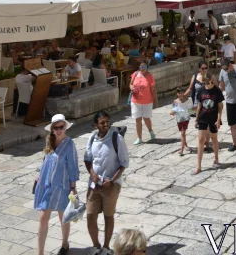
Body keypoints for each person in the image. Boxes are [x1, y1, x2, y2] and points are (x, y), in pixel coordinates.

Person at [84, 110, 129, 255]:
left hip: (111, 185)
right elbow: (87, 159)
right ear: (95, 125)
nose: (105, 125)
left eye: (107, 122)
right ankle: (96, 246)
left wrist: (112, 180)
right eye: (102, 122)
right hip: (94, 185)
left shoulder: (117, 139)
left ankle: (106, 247)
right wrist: (92, 173)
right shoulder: (92, 139)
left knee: (108, 216)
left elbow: (124, 163)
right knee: (91, 215)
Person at [34, 114, 79, 255]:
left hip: (62, 186)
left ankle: (65, 244)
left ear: (65, 127)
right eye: (56, 127)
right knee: (43, 218)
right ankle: (40, 252)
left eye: (61, 127)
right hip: (47, 185)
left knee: (63, 217)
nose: (59, 130)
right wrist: (40, 174)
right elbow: (46, 159)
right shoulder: (50, 141)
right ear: (52, 129)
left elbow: (73, 167)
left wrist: (73, 188)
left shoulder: (70, 144)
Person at [193, 72, 224, 175]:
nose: (206, 84)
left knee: (214, 138)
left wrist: (219, 119)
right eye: (204, 82)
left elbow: (220, 106)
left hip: (213, 118)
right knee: (201, 140)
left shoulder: (217, 91)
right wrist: (196, 119)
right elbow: (199, 105)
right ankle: (198, 165)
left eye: (207, 82)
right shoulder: (201, 90)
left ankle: (216, 158)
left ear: (211, 80)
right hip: (203, 117)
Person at [129, 61, 158, 145]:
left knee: (146, 118)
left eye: (144, 67)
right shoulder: (135, 74)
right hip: (135, 100)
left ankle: (150, 131)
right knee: (138, 119)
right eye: (141, 67)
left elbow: (153, 89)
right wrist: (131, 88)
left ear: (147, 67)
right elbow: (130, 84)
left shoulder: (150, 76)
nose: (143, 69)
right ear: (139, 67)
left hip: (147, 101)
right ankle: (139, 138)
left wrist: (156, 100)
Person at [170, 86, 193, 155]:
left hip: (186, 118)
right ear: (177, 94)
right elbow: (174, 110)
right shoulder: (175, 101)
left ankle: (181, 149)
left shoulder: (188, 100)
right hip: (179, 119)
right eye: (179, 93)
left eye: (181, 93)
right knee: (183, 133)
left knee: (183, 133)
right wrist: (172, 112)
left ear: (183, 93)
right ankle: (185, 145)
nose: (180, 94)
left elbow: (191, 110)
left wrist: (193, 111)